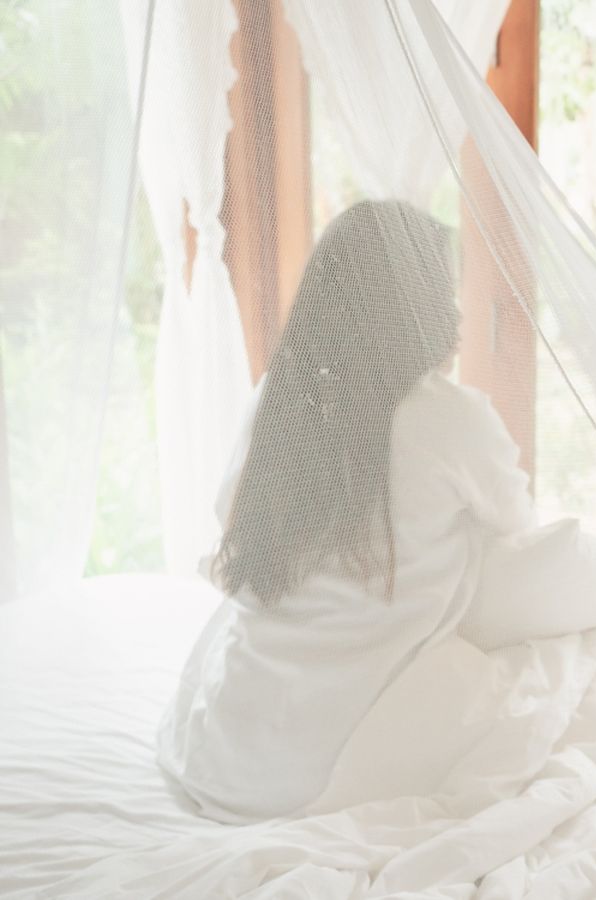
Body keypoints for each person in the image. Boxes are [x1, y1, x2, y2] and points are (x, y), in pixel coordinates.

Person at [158, 200, 535, 823]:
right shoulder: (452, 417)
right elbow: (516, 526)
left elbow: (230, 518)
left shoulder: (280, 398)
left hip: (230, 751)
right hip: (340, 758)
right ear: (425, 307)